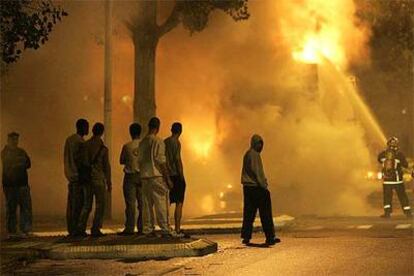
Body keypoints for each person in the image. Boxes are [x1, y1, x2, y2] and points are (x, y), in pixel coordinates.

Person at [241, 134, 280, 246]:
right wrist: (264, 186)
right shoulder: (254, 155)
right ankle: (270, 236)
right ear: (255, 144)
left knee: (249, 213)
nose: (261, 146)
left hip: (248, 188)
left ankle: (246, 236)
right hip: (256, 188)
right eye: (259, 143)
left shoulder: (248, 154)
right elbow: (258, 173)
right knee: (265, 213)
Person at [138, 117, 173, 238]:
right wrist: (167, 178)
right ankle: (165, 229)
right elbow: (161, 161)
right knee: (161, 203)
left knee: (147, 205)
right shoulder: (158, 141)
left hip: (144, 177)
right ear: (158, 127)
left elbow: (140, 160)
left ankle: (147, 229)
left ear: (149, 126)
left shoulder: (142, 142)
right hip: (156, 176)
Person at [76, 123, 112, 237]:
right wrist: (109, 181)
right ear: (102, 133)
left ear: (92, 131)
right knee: (100, 205)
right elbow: (107, 166)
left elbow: (81, 162)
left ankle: (80, 228)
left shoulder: (85, 145)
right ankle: (95, 228)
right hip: (99, 179)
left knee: (87, 205)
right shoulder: (103, 149)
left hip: (87, 179)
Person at [1, 132, 32, 237]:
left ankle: (25, 230)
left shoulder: (21, 151)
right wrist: (20, 162)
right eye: (13, 139)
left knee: (25, 207)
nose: (15, 141)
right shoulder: (5, 152)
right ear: (8, 140)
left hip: (22, 184)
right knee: (12, 208)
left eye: (16, 139)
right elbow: (12, 164)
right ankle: (12, 231)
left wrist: (18, 163)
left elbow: (28, 163)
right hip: (10, 185)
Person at [64, 118, 89, 236]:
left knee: (71, 205)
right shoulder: (81, 142)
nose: (88, 129)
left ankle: (71, 229)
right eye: (86, 127)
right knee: (78, 205)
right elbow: (81, 161)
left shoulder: (69, 140)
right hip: (78, 177)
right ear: (82, 127)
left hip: (70, 176)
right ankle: (76, 230)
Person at [118, 123, 143, 236]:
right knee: (142, 204)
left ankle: (129, 228)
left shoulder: (127, 146)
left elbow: (121, 161)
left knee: (130, 204)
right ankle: (142, 227)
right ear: (140, 132)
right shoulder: (144, 145)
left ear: (130, 132)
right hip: (142, 176)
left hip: (130, 177)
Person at [378, 137, 412, 218]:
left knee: (387, 197)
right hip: (397, 181)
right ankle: (407, 213)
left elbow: (379, 160)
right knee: (402, 196)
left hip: (386, 180)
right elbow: (405, 165)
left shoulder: (382, 154)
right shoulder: (399, 154)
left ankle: (387, 213)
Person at [165, 122, 187, 237]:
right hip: (175, 175)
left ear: (171, 129)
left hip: (167, 175)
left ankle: (166, 226)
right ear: (180, 131)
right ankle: (177, 228)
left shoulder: (165, 142)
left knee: (167, 202)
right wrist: (182, 176)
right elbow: (177, 160)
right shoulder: (176, 143)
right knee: (179, 202)